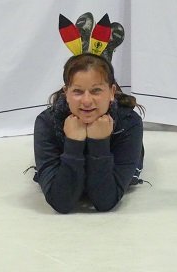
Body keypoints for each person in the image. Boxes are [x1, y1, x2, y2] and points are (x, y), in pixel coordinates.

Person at [33, 53, 144, 213]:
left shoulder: (128, 124)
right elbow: (61, 203)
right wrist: (73, 144)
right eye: (77, 91)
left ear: (112, 92)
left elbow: (105, 201)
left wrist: (99, 142)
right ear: (66, 93)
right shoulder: (47, 123)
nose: (86, 101)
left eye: (96, 91)